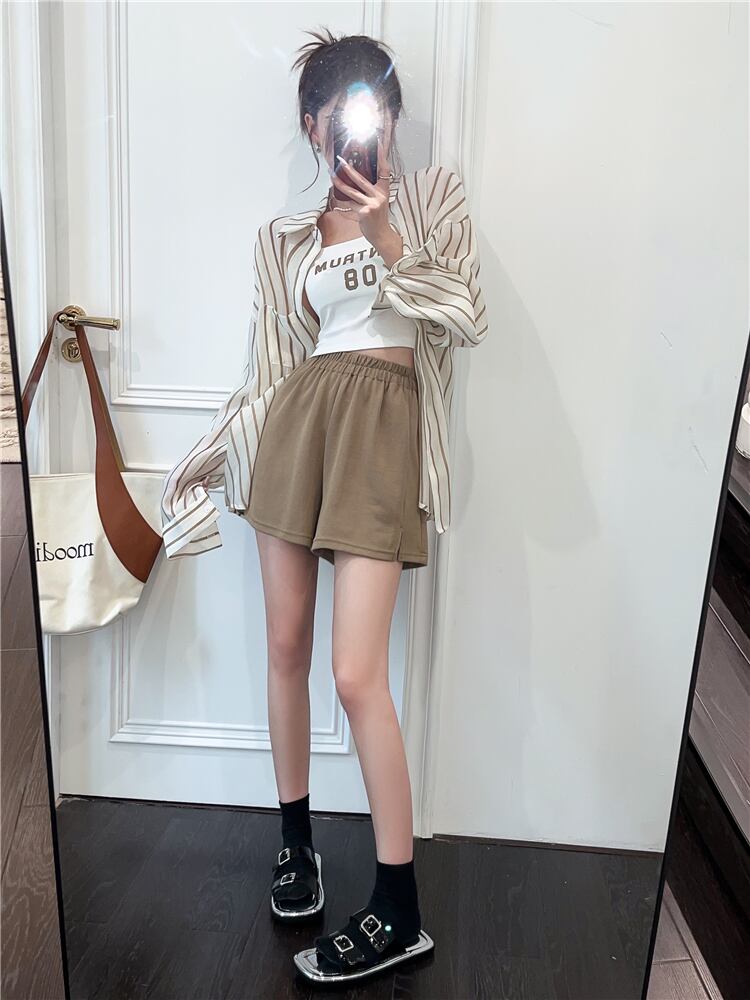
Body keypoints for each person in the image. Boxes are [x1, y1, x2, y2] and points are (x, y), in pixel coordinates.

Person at [160, 27, 488, 985]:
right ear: (313, 128)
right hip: (299, 431)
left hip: (383, 437)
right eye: (340, 116)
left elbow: (467, 316)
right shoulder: (284, 241)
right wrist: (204, 456)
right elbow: (270, 371)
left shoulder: (433, 198)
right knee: (285, 646)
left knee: (355, 675)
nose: (361, 131)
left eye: (377, 111)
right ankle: (296, 843)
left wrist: (387, 236)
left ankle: (399, 907)